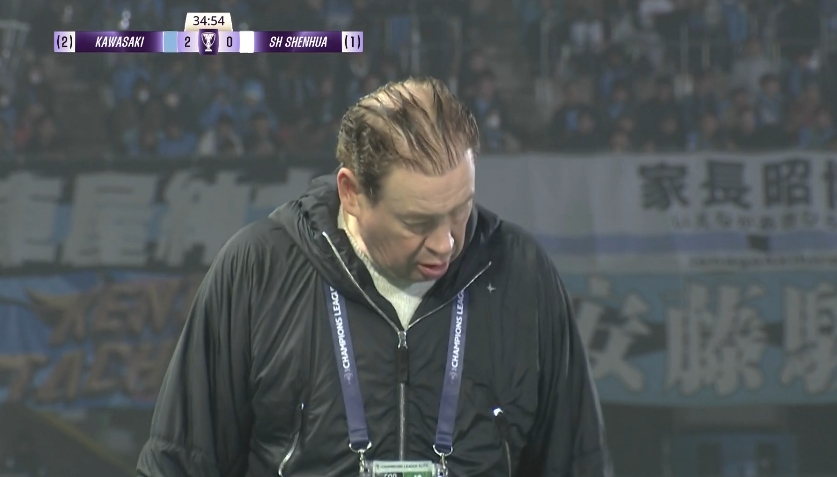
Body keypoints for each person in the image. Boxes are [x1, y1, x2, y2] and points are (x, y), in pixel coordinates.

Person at [136, 77, 611, 477]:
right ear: (352, 193)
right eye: (417, 222)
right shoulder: (258, 271)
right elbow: (180, 461)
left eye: (460, 210)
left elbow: (578, 461)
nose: (446, 242)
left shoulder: (521, 274)